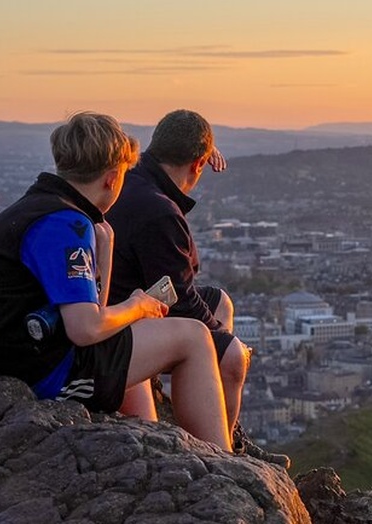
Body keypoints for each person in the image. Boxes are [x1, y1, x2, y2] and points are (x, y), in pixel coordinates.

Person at [0, 111, 231, 452]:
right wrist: (136, 305)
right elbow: (85, 329)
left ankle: (153, 443)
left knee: (125, 337)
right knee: (194, 337)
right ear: (112, 178)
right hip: (40, 372)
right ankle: (221, 457)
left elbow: (91, 311)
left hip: (7, 357)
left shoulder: (43, 208)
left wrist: (106, 248)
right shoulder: (65, 225)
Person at [106, 109, 289, 468]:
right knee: (233, 357)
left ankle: (220, 422)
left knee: (221, 302)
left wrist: (202, 151)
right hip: (124, 320)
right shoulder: (159, 211)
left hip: (128, 299)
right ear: (199, 162)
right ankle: (222, 455)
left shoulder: (133, 178)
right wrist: (227, 343)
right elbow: (180, 300)